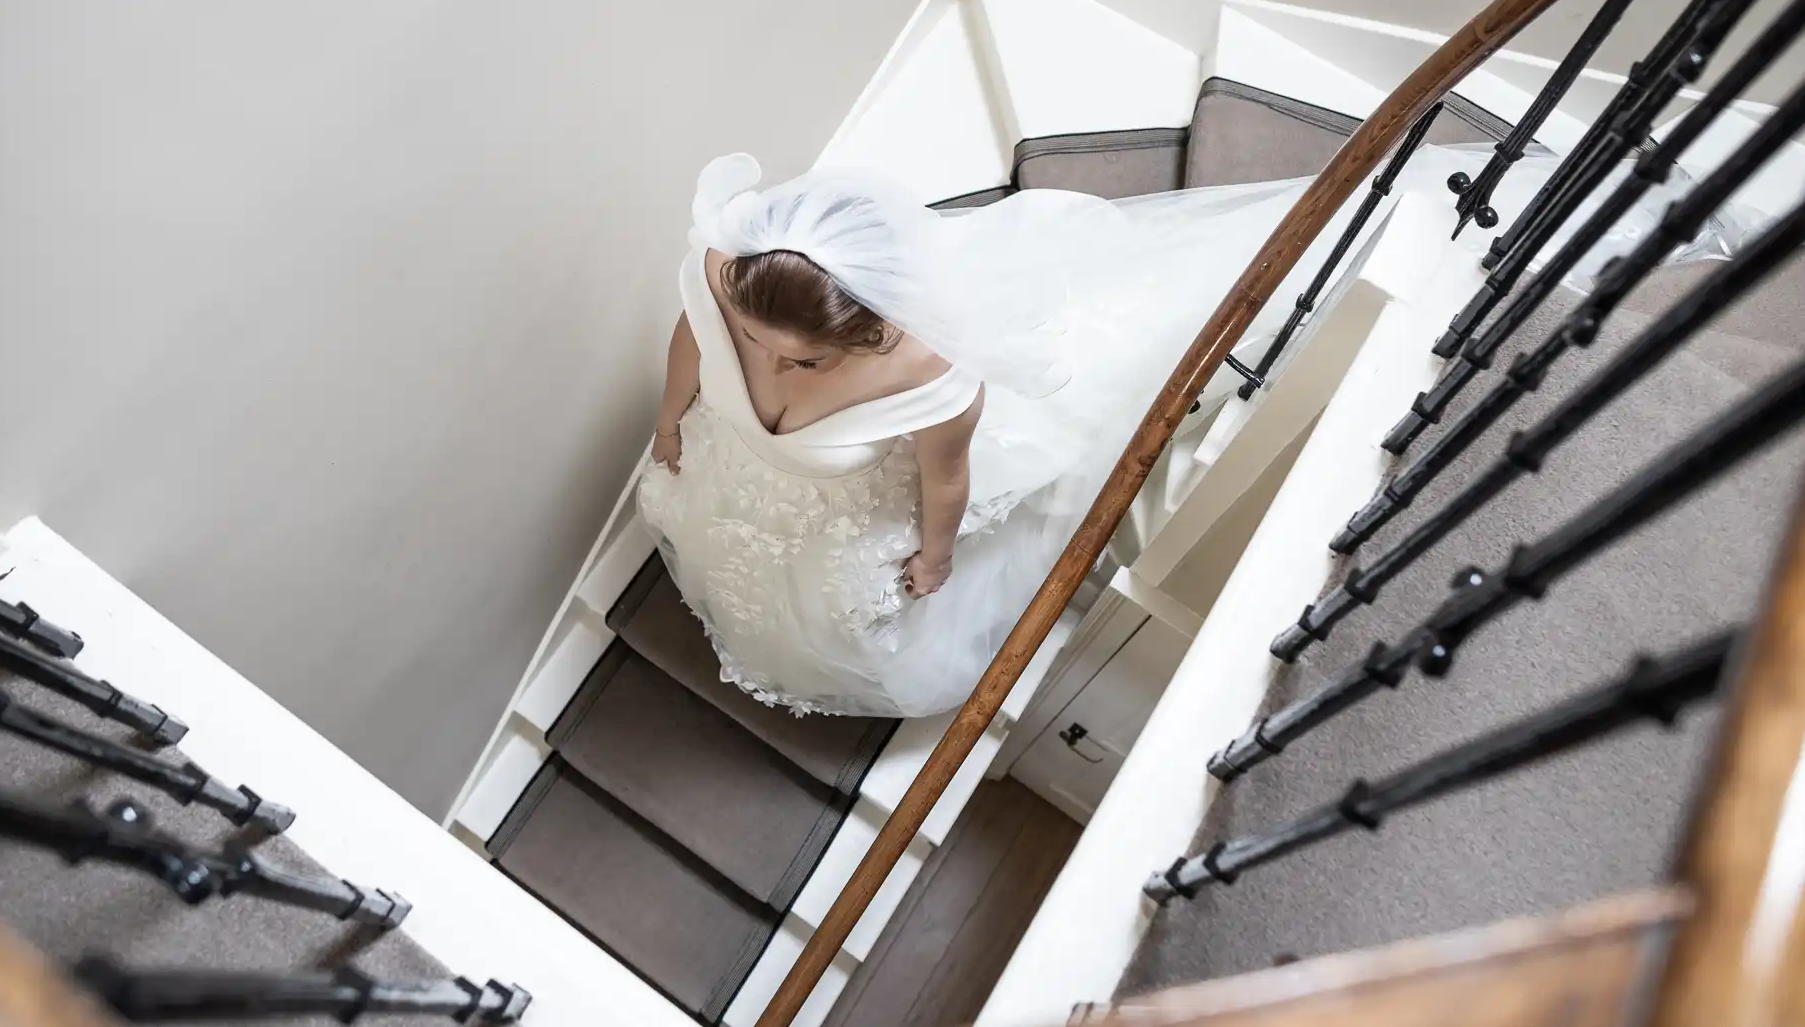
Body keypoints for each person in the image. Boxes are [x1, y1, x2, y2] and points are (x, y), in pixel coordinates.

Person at [637, 147, 1586, 719]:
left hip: (859, 497)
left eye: (802, 360)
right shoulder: (728, 273)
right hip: (755, 482)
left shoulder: (929, 375)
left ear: (871, 330)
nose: (771, 369)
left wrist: (933, 557)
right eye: (757, 342)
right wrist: (671, 418)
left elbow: (945, 482)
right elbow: (695, 335)